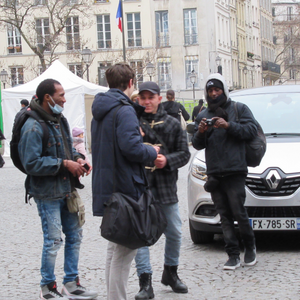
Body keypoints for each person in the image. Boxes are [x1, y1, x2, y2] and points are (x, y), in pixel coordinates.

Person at [18, 79, 98, 300]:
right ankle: (48, 287)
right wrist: (64, 164)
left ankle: (71, 283)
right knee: (53, 241)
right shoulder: (32, 126)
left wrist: (79, 159)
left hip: (66, 189)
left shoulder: (59, 119)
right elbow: (31, 163)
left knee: (75, 236)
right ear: (47, 98)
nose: (64, 99)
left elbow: (68, 148)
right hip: (47, 194)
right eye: (61, 95)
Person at [91, 63, 159, 300]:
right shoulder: (124, 110)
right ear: (131, 83)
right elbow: (131, 148)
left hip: (109, 185)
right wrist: (151, 151)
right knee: (125, 250)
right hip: (125, 186)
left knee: (115, 247)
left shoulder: (102, 108)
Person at [191, 73, 257, 270]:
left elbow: (251, 130)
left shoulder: (239, 109)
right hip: (214, 173)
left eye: (217, 90)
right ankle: (233, 255)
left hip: (235, 170)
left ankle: (250, 247)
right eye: (210, 90)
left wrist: (228, 125)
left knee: (239, 212)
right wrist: (201, 131)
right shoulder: (203, 115)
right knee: (224, 215)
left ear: (224, 90)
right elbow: (196, 144)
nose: (213, 94)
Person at [134, 82, 191, 299]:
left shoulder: (173, 123)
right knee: (141, 236)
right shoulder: (133, 122)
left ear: (159, 98)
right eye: (143, 98)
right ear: (139, 99)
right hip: (141, 185)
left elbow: (184, 154)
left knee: (175, 232)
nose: (147, 102)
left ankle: (170, 272)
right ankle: (145, 281)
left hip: (166, 186)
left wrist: (167, 159)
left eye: (151, 97)